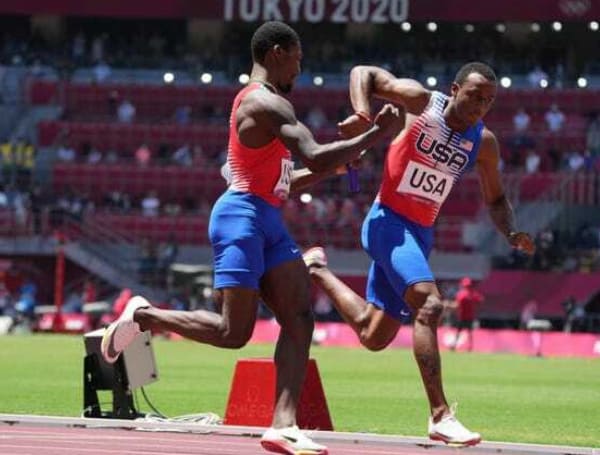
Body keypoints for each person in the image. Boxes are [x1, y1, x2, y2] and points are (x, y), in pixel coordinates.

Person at [101, 21, 399, 455]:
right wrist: (374, 136)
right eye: (297, 60)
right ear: (277, 52)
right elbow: (313, 152)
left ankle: (283, 425)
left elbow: (282, 183)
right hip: (240, 218)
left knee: (299, 318)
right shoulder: (264, 103)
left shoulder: (272, 105)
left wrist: (334, 166)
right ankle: (144, 316)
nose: (299, 69)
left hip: (268, 219)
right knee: (232, 332)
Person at [302, 62, 536, 446]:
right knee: (429, 304)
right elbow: (365, 73)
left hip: (420, 233)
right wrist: (363, 114)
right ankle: (440, 415)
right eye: (475, 95)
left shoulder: (484, 142)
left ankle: (315, 269)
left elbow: (496, 198)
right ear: (455, 88)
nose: (481, 105)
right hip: (386, 220)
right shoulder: (421, 102)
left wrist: (509, 231)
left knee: (374, 335)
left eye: (489, 101)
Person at [449, 277, 483, 352]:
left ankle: (454, 346)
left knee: (458, 332)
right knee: (469, 332)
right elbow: (480, 300)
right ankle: (470, 347)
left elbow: (457, 305)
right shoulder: (473, 293)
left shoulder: (461, 294)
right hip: (470, 316)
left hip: (462, 316)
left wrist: (449, 306)